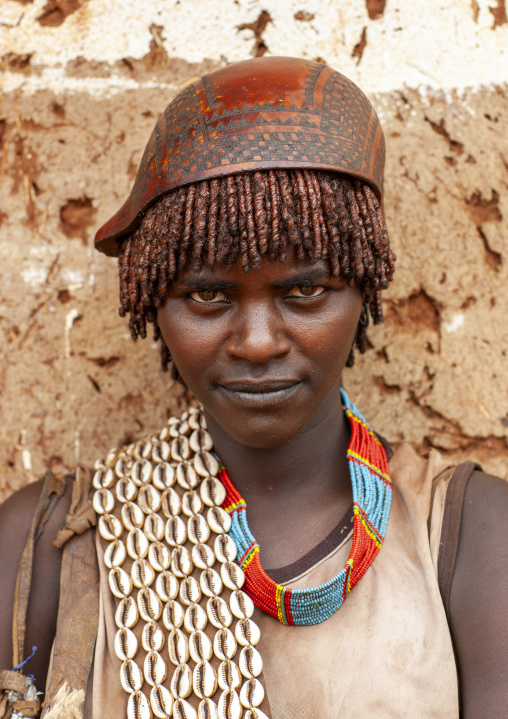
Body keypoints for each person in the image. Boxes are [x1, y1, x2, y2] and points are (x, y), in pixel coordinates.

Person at [0, 56, 507, 719]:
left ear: (364, 287)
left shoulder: (472, 538)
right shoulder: (43, 549)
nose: (258, 341)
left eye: (305, 290)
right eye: (208, 293)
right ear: (153, 300)